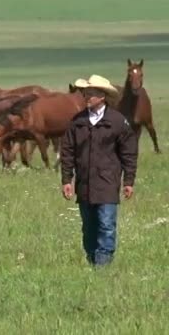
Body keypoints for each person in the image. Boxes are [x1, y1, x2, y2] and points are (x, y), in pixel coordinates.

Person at [60, 74, 138, 266]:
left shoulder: (118, 121)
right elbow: (67, 151)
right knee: (89, 227)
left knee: (106, 225)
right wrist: (66, 180)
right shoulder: (77, 122)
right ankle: (92, 261)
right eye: (85, 93)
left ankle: (102, 267)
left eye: (91, 93)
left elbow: (129, 153)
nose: (86, 96)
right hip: (84, 183)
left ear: (102, 96)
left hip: (107, 182)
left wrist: (128, 181)